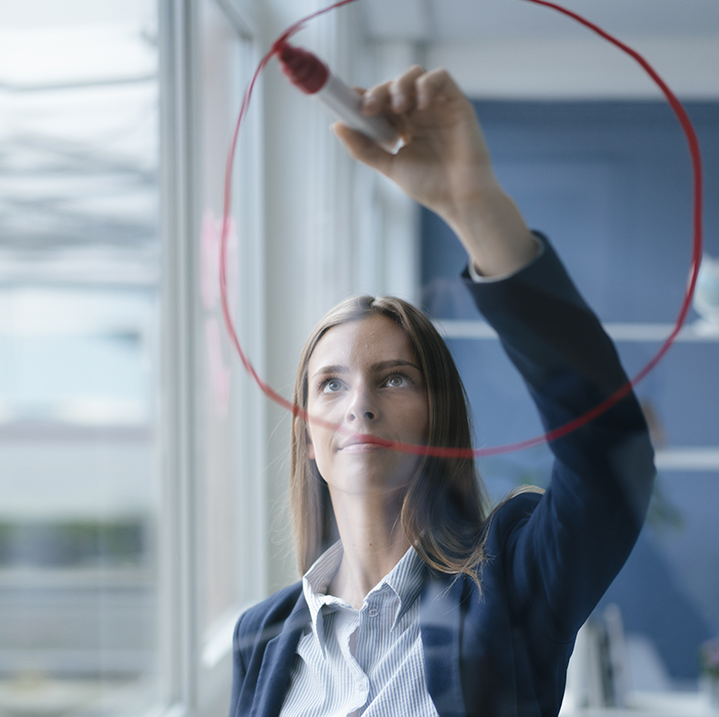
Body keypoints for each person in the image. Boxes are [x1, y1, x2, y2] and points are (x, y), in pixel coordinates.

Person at [229, 66, 656, 717]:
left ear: (438, 418)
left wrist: (472, 204)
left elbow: (607, 459)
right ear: (308, 438)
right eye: (331, 384)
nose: (360, 405)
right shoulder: (259, 639)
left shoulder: (507, 587)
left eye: (394, 377)